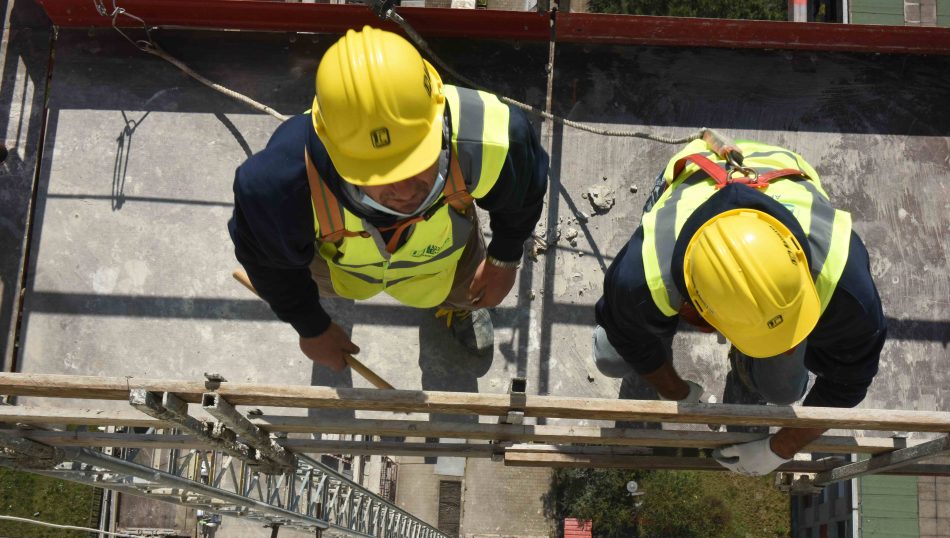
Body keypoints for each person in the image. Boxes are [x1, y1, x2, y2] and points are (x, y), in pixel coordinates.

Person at [228, 27, 548, 369]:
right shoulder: (278, 188)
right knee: (305, 279)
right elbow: (272, 266)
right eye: (379, 176)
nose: (408, 191)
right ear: (333, 151)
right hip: (341, 267)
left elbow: (521, 197)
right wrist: (311, 326)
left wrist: (503, 259)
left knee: (465, 289)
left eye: (419, 160)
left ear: (438, 118)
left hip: (445, 258)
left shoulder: (497, 139)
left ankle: (457, 309)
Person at [593, 131, 886, 476]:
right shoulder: (643, 276)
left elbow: (849, 382)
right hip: (695, 175)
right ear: (699, 309)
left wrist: (781, 449)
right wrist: (676, 391)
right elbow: (629, 339)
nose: (791, 346)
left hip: (780, 169)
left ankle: (747, 370)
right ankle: (661, 333)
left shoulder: (844, 282)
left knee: (782, 390)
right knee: (610, 355)